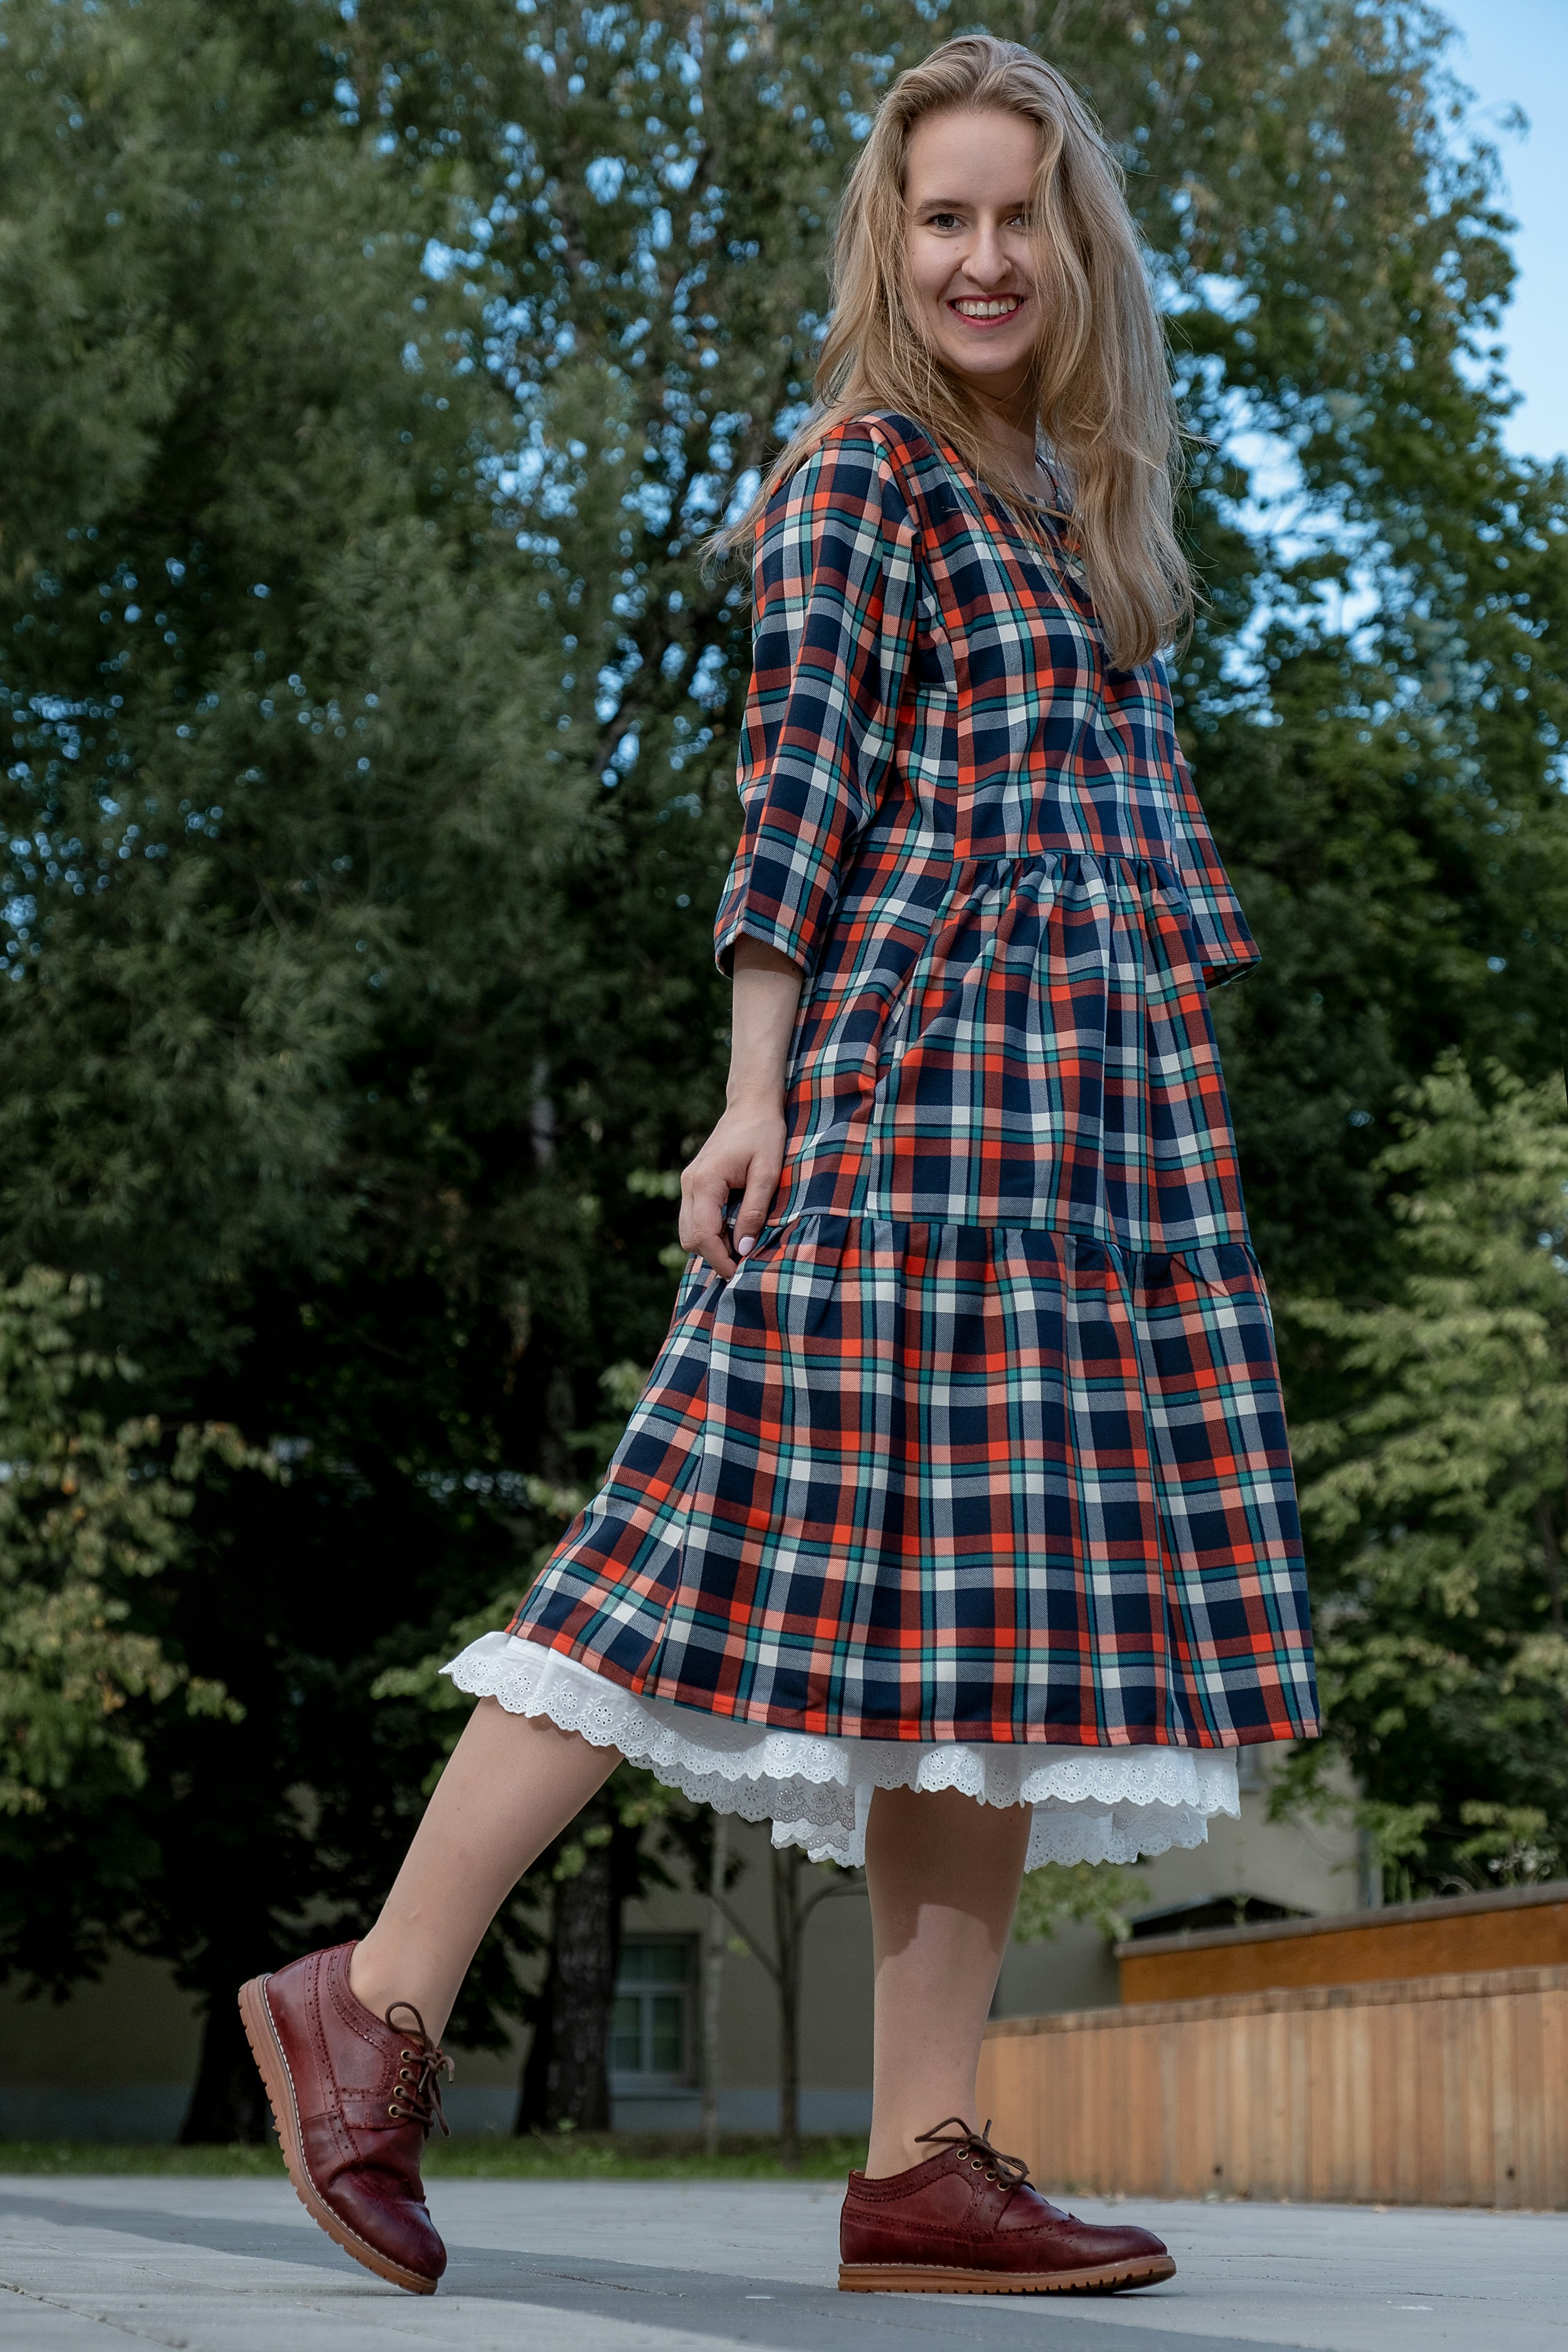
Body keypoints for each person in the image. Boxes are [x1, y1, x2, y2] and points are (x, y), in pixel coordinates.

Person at [240, 33, 1317, 2301]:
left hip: (1088, 1154)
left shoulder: (1090, 525)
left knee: (986, 1641)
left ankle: (926, 2160)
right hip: (907, 1110)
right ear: (890, 239)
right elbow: (793, 803)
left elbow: (1132, 879)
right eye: (944, 215)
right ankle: (382, 1996)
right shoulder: (860, 477)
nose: (985, 254)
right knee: (684, 1549)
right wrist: (755, 1097)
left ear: (1078, 243)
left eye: (1021, 214)